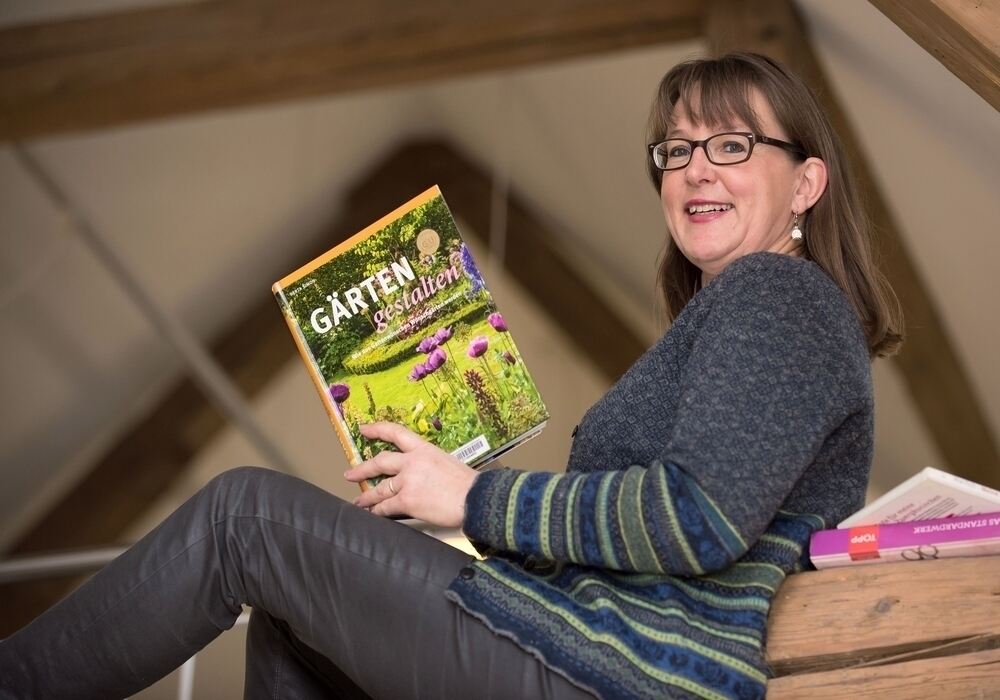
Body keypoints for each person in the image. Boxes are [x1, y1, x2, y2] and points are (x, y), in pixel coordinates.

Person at [1, 51, 902, 700]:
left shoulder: (780, 294)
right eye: (677, 150)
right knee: (295, 615)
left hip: (623, 671)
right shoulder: (741, 315)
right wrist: (443, 500)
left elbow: (692, 517)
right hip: (595, 650)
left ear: (806, 183)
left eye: (732, 145)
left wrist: (473, 498)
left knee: (249, 518)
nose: (695, 168)